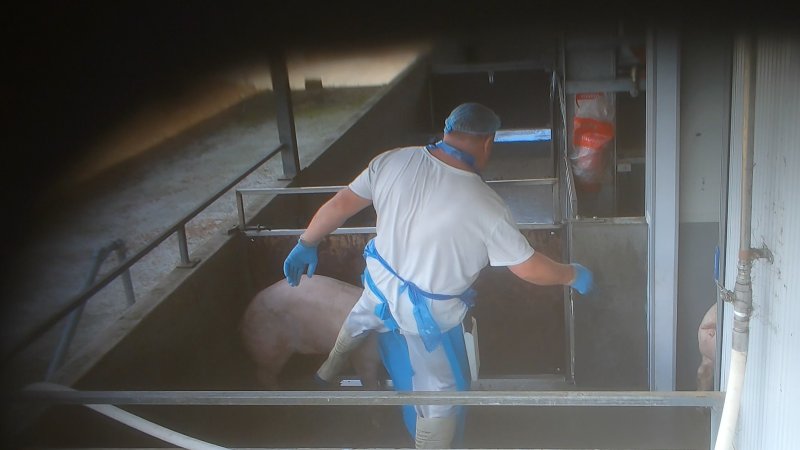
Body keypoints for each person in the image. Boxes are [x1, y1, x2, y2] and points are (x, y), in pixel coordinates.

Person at [282, 102, 594, 448]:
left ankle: (329, 369)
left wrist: (306, 242)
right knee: (441, 395)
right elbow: (528, 267)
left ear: (447, 128)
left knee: (361, 318)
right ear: (488, 143)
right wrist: (570, 274)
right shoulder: (485, 205)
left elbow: (340, 204)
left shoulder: (392, 161)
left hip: (378, 288)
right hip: (424, 320)